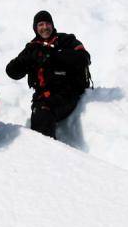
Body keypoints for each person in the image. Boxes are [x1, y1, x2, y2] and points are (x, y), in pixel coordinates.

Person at [6, 10, 91, 139]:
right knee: (40, 111)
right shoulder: (32, 48)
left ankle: (47, 155)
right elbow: (12, 72)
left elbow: (84, 58)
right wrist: (26, 60)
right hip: (42, 98)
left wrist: (54, 56)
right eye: (40, 24)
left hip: (67, 94)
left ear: (52, 25)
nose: (44, 27)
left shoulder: (66, 40)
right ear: (35, 28)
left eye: (47, 24)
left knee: (43, 112)